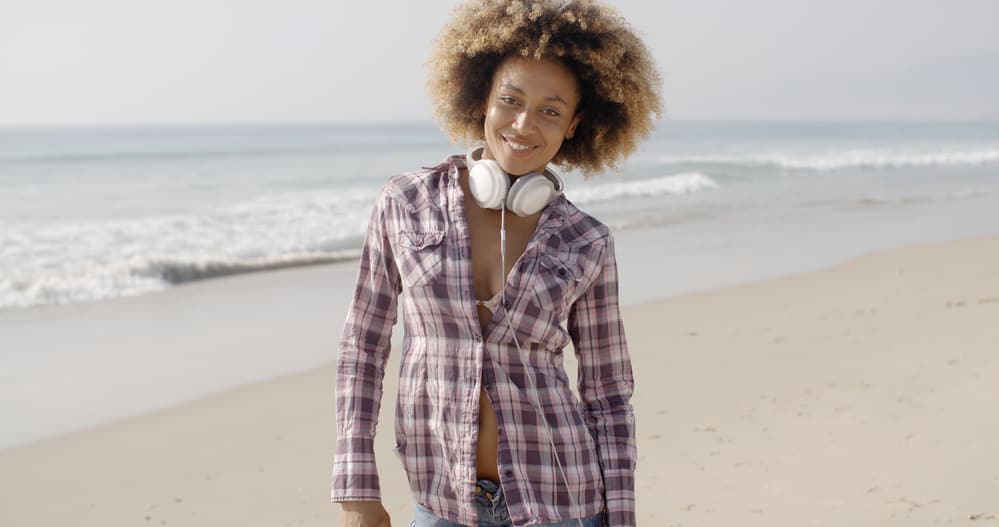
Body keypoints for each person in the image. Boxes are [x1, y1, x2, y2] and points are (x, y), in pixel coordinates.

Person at [331, 1, 662, 526]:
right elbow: (363, 347)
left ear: (574, 124)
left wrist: (619, 518)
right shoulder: (405, 203)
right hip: (441, 504)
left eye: (550, 111)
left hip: (562, 502)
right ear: (481, 99)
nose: (524, 124)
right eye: (510, 100)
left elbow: (608, 395)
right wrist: (355, 491)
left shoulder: (586, 241)